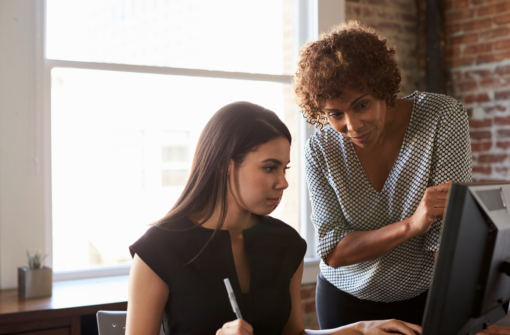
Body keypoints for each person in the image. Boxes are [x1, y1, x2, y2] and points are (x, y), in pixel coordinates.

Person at [126, 102, 422, 335]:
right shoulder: (158, 251)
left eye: (285, 169)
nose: (283, 182)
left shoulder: (286, 243)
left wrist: (359, 329)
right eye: (269, 168)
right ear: (224, 166)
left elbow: (294, 334)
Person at [293, 21, 474, 328]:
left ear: (382, 88)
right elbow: (333, 250)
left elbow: (446, 234)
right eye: (336, 114)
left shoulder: (442, 117)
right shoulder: (319, 150)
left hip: (426, 298)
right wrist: (413, 224)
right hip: (344, 303)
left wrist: (460, 316)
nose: (353, 126)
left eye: (361, 105)